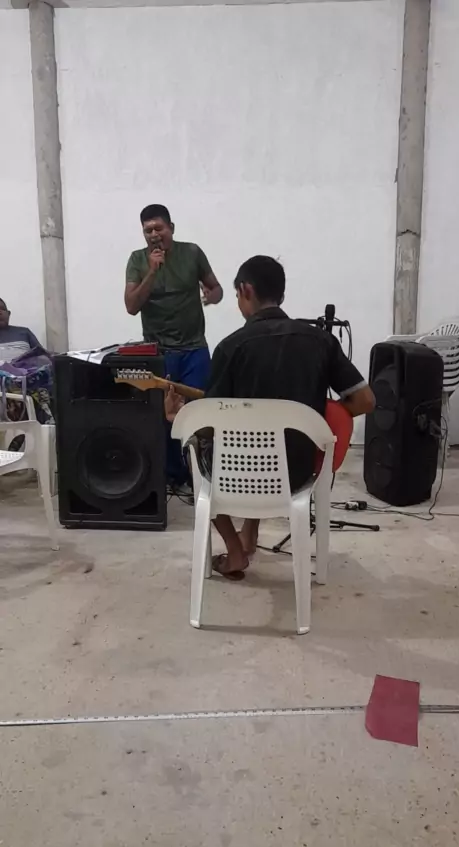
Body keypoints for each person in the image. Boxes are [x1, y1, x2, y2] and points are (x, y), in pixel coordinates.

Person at [166, 255, 375, 578]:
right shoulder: (321, 341)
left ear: (246, 290)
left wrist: (177, 417)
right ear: (282, 294)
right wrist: (326, 416)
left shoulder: (230, 348)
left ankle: (235, 550)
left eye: (237, 295)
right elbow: (365, 400)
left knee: (195, 448)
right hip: (298, 473)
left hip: (237, 475)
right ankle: (250, 533)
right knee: (272, 439)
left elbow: (209, 428)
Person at [125, 204, 223, 484]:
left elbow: (217, 289)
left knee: (199, 412)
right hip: (159, 352)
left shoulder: (192, 252)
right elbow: (131, 306)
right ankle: (171, 476)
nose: (154, 234)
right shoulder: (137, 260)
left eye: (159, 228)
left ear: (171, 228)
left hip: (194, 349)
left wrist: (211, 296)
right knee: (162, 415)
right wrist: (152, 272)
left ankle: (201, 476)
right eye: (148, 230)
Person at [0, 299, 41, 365]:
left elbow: (43, 356)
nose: (0, 312)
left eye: (3, 309)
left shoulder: (24, 332)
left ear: (8, 314)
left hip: (26, 370)